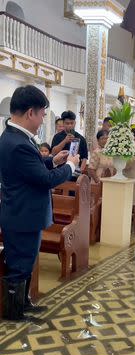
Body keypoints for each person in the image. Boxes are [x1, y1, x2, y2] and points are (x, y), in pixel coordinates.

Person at [0, 85, 79, 322]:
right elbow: (44, 181)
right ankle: (14, 313)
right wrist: (70, 166)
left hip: (23, 213)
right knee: (20, 265)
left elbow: (30, 171)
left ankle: (23, 304)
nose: (43, 119)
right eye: (43, 114)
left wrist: (51, 160)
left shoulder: (14, 137)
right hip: (22, 215)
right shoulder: (18, 143)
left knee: (24, 261)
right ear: (30, 113)